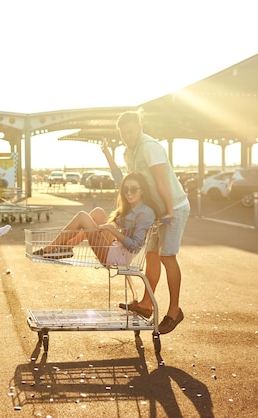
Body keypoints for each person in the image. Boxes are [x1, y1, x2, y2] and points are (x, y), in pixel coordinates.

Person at [113, 111, 190, 334]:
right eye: (122, 133)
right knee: (151, 256)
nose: (126, 136)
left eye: (129, 131)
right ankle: (147, 304)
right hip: (158, 212)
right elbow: (136, 185)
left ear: (139, 126)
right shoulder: (130, 152)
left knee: (167, 256)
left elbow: (162, 181)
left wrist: (168, 210)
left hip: (172, 207)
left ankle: (175, 311)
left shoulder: (149, 147)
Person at [33, 173, 157, 268]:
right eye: (126, 190)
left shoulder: (145, 213)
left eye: (134, 189)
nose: (129, 193)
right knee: (97, 212)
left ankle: (50, 248)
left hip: (116, 257)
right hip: (115, 247)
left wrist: (112, 230)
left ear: (142, 190)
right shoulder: (132, 207)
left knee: (82, 216)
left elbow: (134, 247)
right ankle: (67, 247)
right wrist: (111, 226)